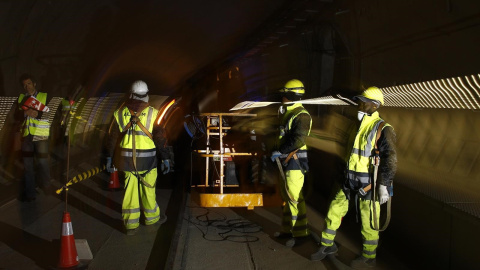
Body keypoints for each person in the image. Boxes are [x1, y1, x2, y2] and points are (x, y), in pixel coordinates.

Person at [310, 87, 397, 269]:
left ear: (374, 105)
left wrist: (384, 185)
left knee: (369, 220)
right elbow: (346, 153)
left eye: (363, 102)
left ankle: (369, 255)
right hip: (347, 179)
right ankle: (327, 245)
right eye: (359, 101)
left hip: (368, 183)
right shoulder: (354, 126)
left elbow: (390, 159)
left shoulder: (383, 128)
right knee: (334, 210)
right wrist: (339, 174)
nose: (359, 104)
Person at [105, 80, 172, 235]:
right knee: (149, 191)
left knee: (130, 193)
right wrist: (166, 158)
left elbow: (112, 138)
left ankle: (130, 225)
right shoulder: (153, 113)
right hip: (148, 161)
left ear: (131, 94)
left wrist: (109, 157)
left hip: (127, 161)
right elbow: (161, 139)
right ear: (146, 95)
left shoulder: (119, 113)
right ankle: (152, 218)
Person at [270, 79, 312, 247]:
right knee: (288, 198)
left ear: (290, 95)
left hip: (294, 162)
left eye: (283, 95)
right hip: (287, 161)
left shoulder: (301, 115)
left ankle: (300, 234)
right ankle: (288, 230)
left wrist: (280, 151)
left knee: (294, 198)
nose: (281, 97)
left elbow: (299, 139)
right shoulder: (288, 112)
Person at [17, 73, 52, 202]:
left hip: (41, 135)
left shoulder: (44, 96)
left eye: (29, 84)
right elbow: (16, 117)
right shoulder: (21, 98)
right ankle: (31, 193)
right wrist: (24, 112)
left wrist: (37, 114)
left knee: (42, 162)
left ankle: (47, 185)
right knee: (28, 166)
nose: (27, 87)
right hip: (27, 136)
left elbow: (51, 114)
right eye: (24, 85)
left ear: (34, 84)